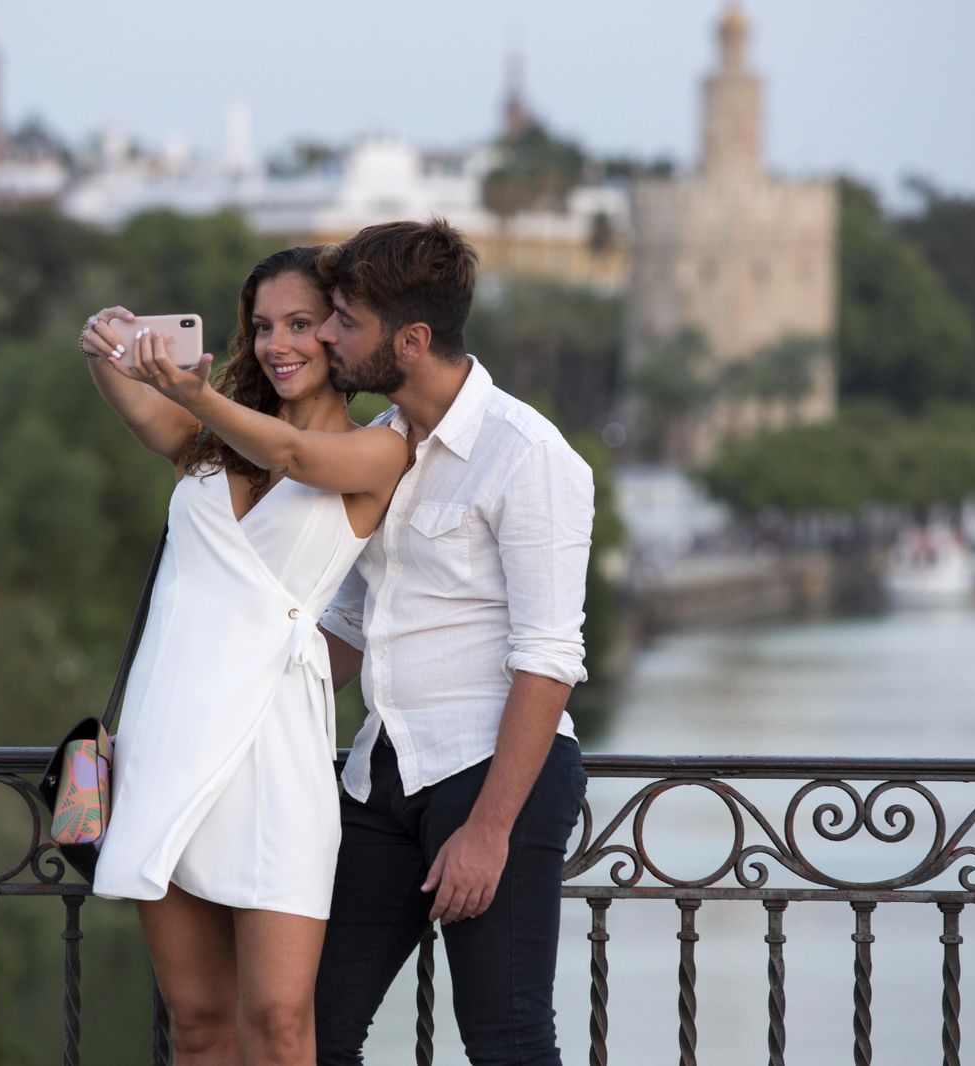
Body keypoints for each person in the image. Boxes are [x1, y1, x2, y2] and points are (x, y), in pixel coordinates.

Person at [77, 245, 409, 1066]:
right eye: (261, 326)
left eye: (300, 323)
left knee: (281, 1025)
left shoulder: (378, 451)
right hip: (165, 744)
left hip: (274, 755)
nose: (277, 343)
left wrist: (194, 393)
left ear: (339, 331)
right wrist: (107, 350)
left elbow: (292, 458)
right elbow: (142, 412)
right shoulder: (205, 442)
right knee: (196, 1021)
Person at [309, 219, 595, 1065]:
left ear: (413, 339)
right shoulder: (385, 449)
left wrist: (490, 829)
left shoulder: (528, 455)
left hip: (491, 775)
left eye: (345, 322)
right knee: (311, 1030)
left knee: (505, 1042)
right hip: (380, 773)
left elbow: (549, 659)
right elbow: (352, 629)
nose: (327, 336)